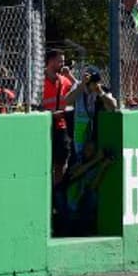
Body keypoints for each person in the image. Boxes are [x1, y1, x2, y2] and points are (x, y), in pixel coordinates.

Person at [65, 66, 117, 163]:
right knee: (78, 157)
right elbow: (67, 101)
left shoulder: (101, 89)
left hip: (95, 131)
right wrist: (82, 85)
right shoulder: (78, 86)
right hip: (80, 129)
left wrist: (100, 93)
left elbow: (113, 106)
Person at [41, 49, 74, 187]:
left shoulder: (65, 81)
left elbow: (77, 98)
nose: (62, 64)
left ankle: (58, 191)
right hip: (43, 127)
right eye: (60, 61)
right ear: (51, 61)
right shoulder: (38, 82)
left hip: (61, 127)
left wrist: (64, 112)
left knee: (60, 162)